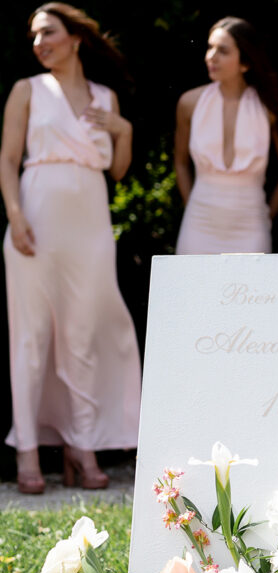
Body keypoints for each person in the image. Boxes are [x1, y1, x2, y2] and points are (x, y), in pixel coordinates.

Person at [0, 3, 141, 494]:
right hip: (35, 221)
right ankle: (28, 453)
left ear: (76, 38)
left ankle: (83, 447)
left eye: (49, 33)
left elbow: (119, 171)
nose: (39, 42)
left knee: (82, 333)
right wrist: (16, 217)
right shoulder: (27, 91)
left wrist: (122, 130)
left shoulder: (104, 98)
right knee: (32, 335)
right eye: (34, 35)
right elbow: (8, 158)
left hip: (91, 226)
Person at [175, 16, 278, 255]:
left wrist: (266, 215)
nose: (211, 56)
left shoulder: (272, 107)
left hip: (251, 224)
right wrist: (192, 206)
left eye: (222, 50)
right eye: (210, 47)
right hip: (199, 222)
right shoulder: (189, 103)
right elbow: (180, 163)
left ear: (245, 62)